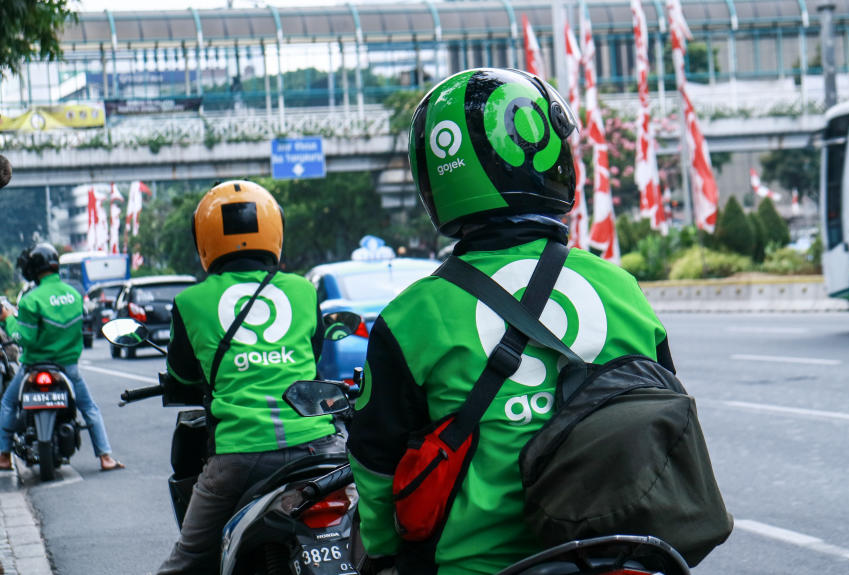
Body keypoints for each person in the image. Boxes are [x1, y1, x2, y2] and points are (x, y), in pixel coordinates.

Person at [347, 68, 676, 575]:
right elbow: (665, 420)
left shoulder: (411, 316)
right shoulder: (622, 289)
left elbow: (374, 463)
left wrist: (385, 555)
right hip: (620, 559)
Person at [158, 180, 345, 574]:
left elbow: (183, 375)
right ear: (274, 230)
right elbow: (313, 357)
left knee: (187, 561)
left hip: (240, 459)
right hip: (322, 449)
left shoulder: (189, 302)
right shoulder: (302, 289)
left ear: (204, 239)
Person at [0, 243, 124, 472]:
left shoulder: (30, 300)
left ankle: (4, 456)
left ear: (34, 269)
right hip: (68, 367)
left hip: (33, 367)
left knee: (7, 403)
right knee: (89, 409)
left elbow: (21, 337)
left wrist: (8, 318)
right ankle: (105, 457)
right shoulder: (74, 295)